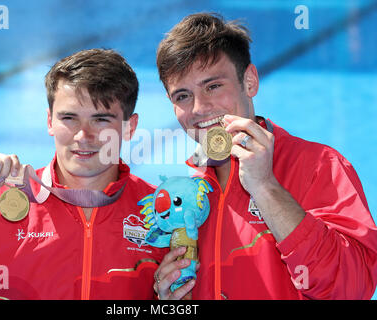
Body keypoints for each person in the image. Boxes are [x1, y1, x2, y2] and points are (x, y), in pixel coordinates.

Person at [153, 12, 377, 300]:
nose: (198, 108)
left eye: (213, 86)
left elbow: (352, 287)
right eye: (182, 96)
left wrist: (266, 187)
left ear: (249, 82)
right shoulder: (185, 195)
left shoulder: (320, 166)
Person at [0, 49, 167, 299]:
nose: (82, 136)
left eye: (100, 119)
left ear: (130, 127)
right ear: (49, 121)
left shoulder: (162, 212)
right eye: (69, 118)